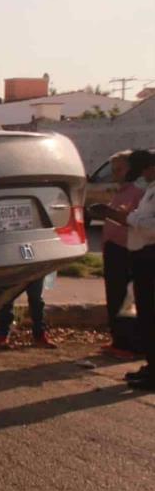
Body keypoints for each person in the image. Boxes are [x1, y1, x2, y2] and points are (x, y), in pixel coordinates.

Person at [94, 149, 155, 391]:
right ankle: (151, 367)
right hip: (141, 257)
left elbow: (150, 226)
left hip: (151, 257)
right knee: (146, 317)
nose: (142, 174)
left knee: (150, 316)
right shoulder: (150, 189)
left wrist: (124, 218)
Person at [100, 151, 144, 358]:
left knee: (125, 298)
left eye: (120, 169)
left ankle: (128, 344)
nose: (116, 174)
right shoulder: (120, 192)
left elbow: (135, 222)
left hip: (126, 250)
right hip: (113, 248)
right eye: (114, 170)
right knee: (114, 296)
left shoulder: (138, 193)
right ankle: (118, 340)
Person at [0, 276, 57, 348]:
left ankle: (40, 335)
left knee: (36, 300)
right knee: (8, 299)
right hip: (16, 268)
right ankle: (2, 335)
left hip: (34, 268)